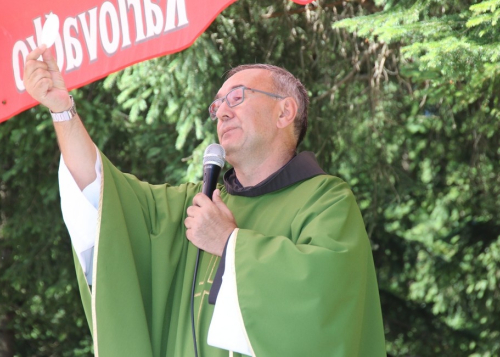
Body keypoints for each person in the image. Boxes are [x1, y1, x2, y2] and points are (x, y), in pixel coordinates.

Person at [23, 45, 387, 357]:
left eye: (237, 98)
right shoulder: (196, 207)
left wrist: (229, 242)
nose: (223, 112)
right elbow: (103, 200)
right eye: (217, 106)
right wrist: (62, 111)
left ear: (284, 112)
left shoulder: (324, 199)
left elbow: (327, 300)